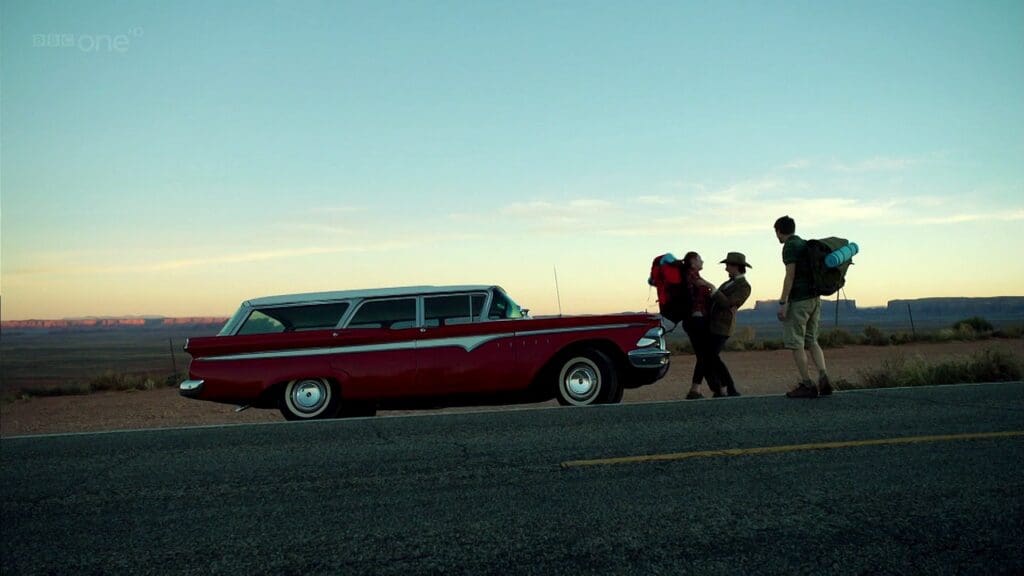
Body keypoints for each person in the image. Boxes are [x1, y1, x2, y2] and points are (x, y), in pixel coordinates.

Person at [774, 216, 831, 398]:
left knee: (796, 343)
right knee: (812, 340)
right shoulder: (804, 244)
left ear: (779, 231)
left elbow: (789, 276)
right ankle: (824, 377)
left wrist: (783, 302)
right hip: (815, 299)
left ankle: (808, 384)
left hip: (799, 301)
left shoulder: (790, 246)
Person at [705, 252, 752, 397]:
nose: (726, 269)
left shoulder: (744, 287)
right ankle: (722, 389)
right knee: (710, 357)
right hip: (713, 324)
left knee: (711, 356)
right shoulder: (728, 283)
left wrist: (713, 290)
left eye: (728, 265)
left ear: (736, 267)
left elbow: (727, 303)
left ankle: (728, 388)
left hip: (723, 326)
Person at [680, 251, 718, 399]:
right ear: (693, 261)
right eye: (700, 259)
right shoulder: (693, 277)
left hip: (691, 321)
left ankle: (713, 388)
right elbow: (704, 292)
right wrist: (711, 286)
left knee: (704, 355)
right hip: (697, 320)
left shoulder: (688, 276)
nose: (703, 261)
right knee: (705, 355)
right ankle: (696, 389)